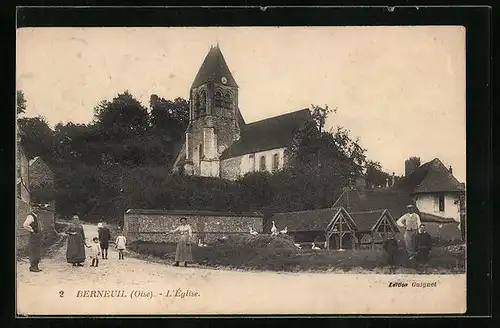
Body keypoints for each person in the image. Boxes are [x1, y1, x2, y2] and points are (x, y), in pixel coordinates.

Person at [22, 207, 42, 272]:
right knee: (34, 250)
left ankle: (35, 266)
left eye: (38, 208)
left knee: (37, 250)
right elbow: (25, 225)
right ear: (32, 209)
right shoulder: (31, 216)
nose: (37, 209)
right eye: (35, 208)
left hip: (37, 235)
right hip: (33, 236)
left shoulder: (36, 216)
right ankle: (33, 266)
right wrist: (32, 230)